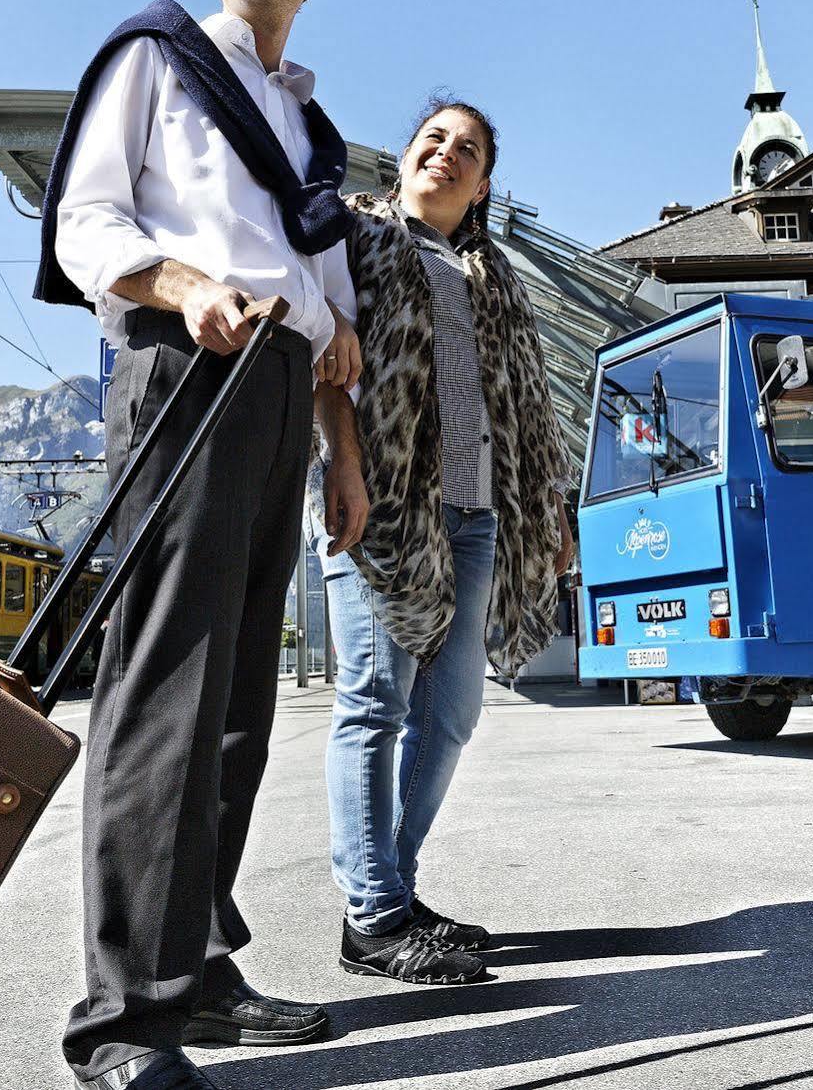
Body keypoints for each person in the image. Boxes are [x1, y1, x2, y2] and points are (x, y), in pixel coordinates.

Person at [34, 0, 362, 1090]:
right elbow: (86, 222)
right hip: (188, 363)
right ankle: (124, 1021)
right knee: (164, 691)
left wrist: (345, 457)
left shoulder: (305, 126)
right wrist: (181, 282)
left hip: (281, 390)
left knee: (235, 706)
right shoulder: (157, 55)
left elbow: (335, 327)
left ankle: (198, 970)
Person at [311, 99, 576, 985]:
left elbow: (527, 408)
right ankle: (373, 916)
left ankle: (395, 891)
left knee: (451, 714)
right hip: (382, 508)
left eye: (467, 149)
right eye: (433, 140)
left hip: (476, 516)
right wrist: (340, 463)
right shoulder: (355, 235)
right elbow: (325, 362)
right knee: (374, 702)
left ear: (485, 182)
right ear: (404, 160)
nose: (447, 155)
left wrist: (550, 508)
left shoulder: (490, 271)